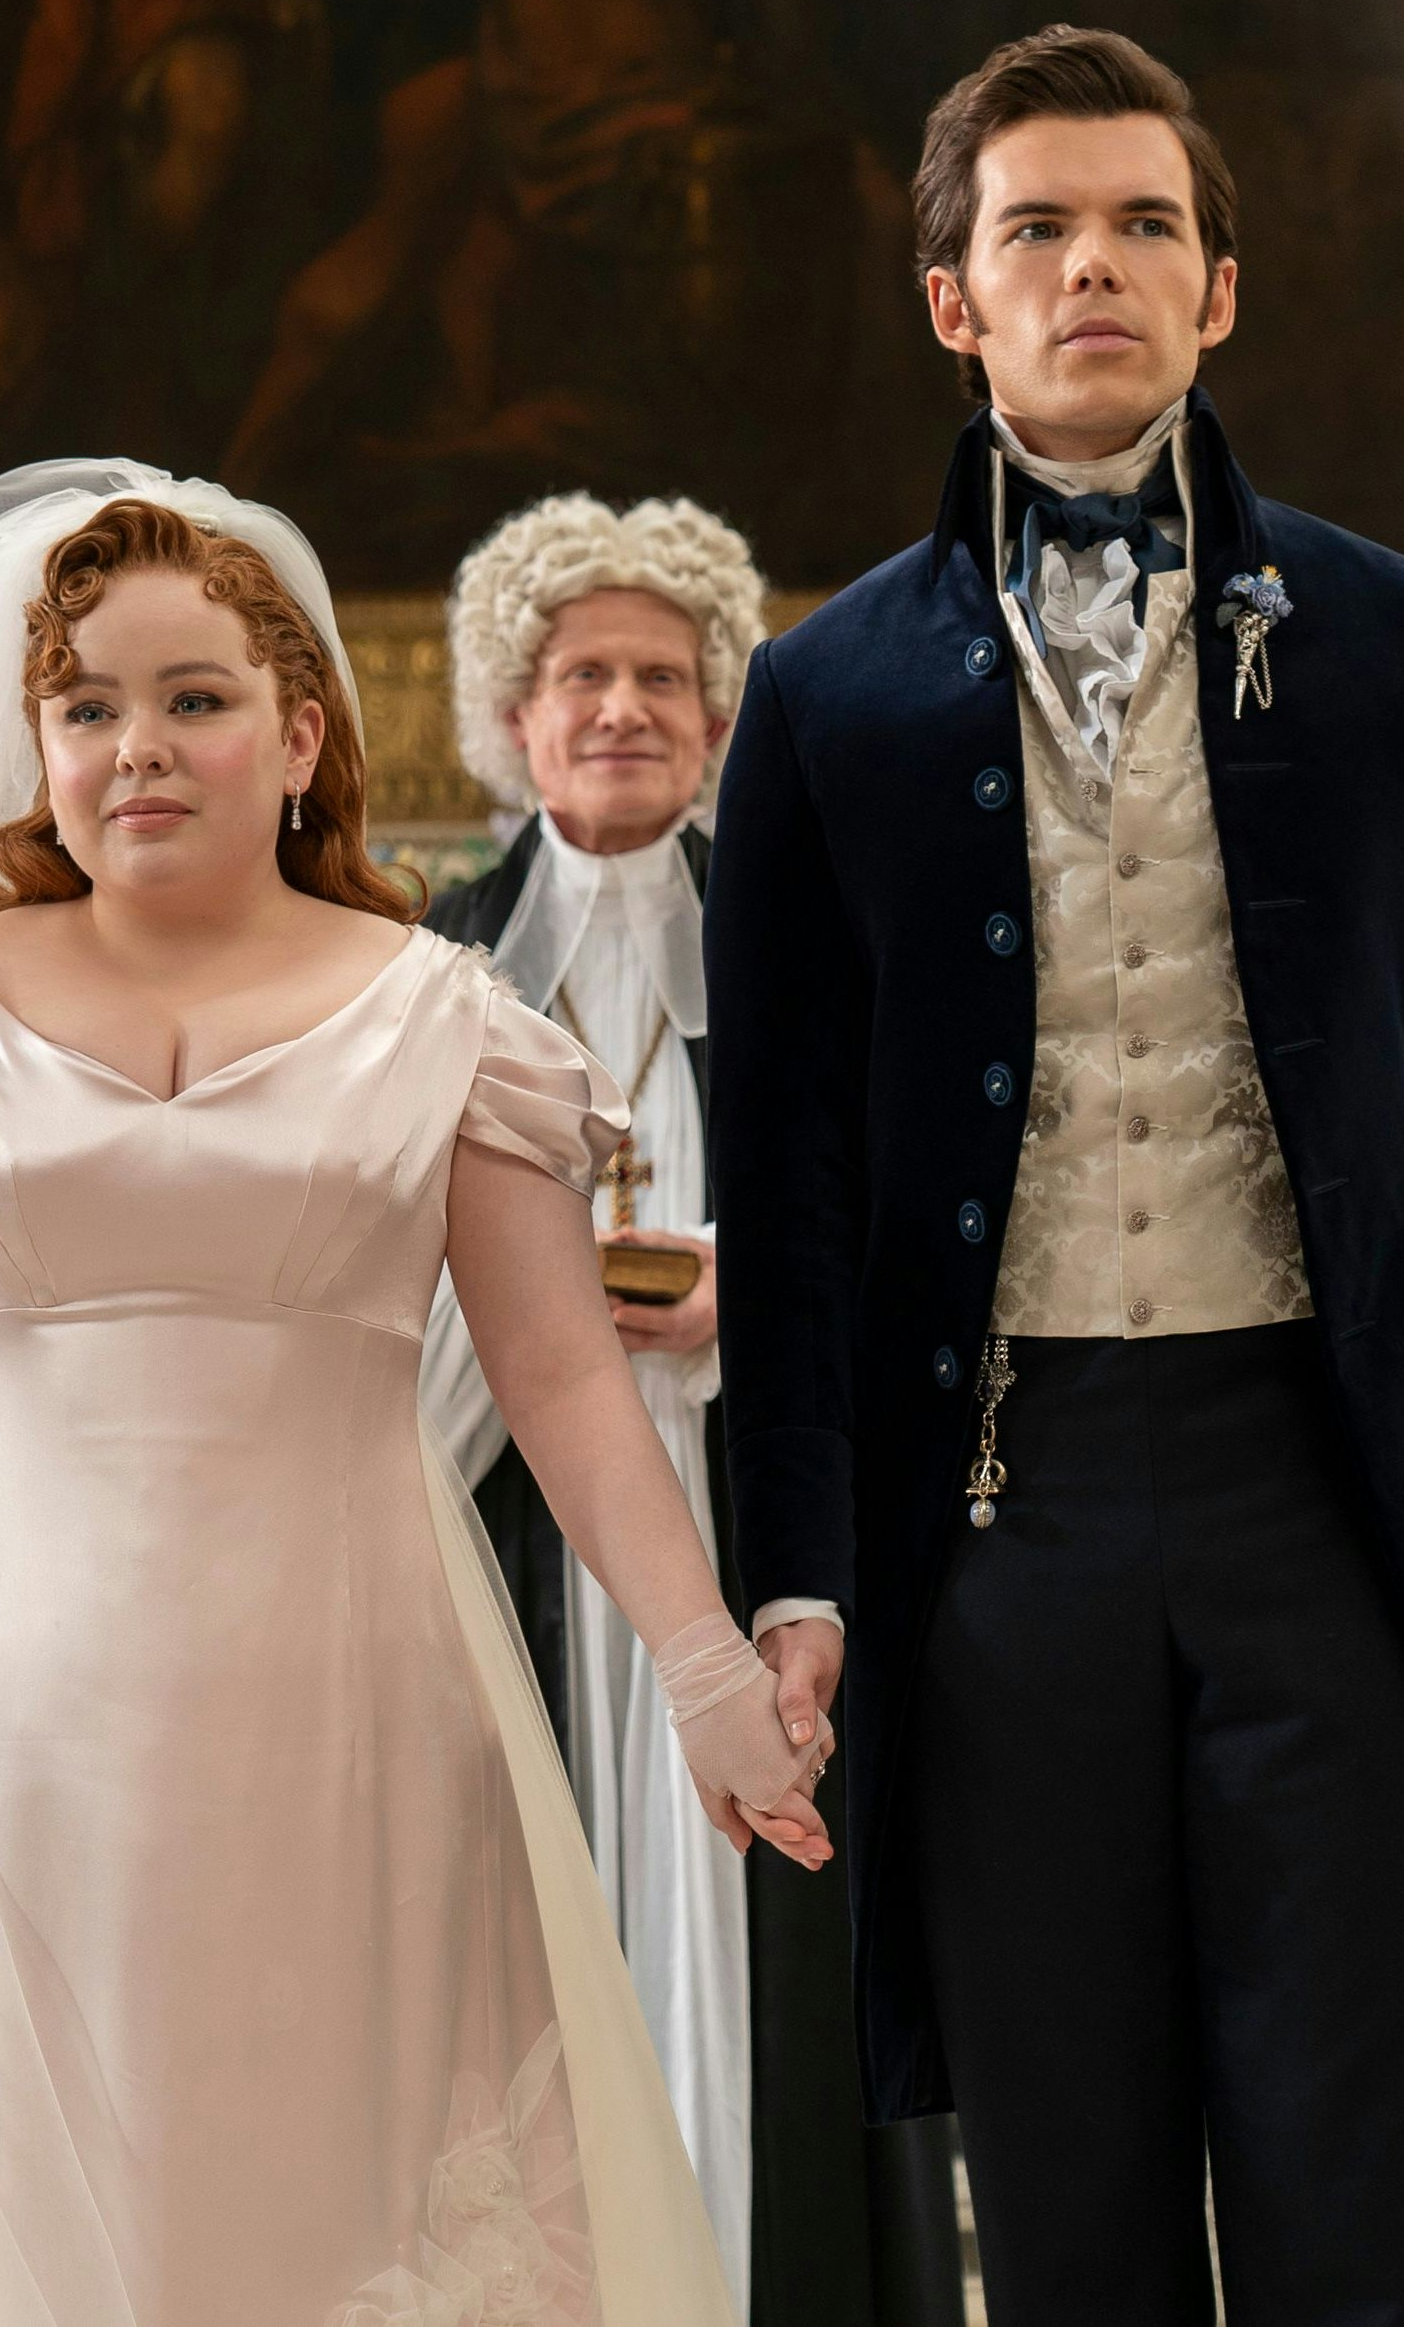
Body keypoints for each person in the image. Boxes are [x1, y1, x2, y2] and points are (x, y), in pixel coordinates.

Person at [0, 459, 833, 2326]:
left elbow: (564, 1384)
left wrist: (705, 1672)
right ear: (39, 748)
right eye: (86, 708)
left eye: (193, 699)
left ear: (298, 738)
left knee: (318, 2208)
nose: (137, 746)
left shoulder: (452, 1022)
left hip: (357, 1729)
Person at [704, 21, 1404, 2327]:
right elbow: (786, 1177)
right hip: (1005, 1512)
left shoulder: (1383, 635)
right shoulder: (820, 694)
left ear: (1220, 291)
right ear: (953, 298)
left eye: (1142, 225)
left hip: (1322, 1485)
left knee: (1355, 2164)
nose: (1091, 263)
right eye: (1036, 229)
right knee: (1066, 2180)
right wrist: (794, 1567)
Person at [422, 492, 966, 2327]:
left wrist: (768, 1296)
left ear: (724, 718)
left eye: (665, 677)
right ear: (513, 715)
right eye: (582, 676)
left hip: (766, 1516)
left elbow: (930, 1217)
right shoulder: (426, 962)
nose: (623, 709)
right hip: (519, 1525)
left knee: (782, 1945)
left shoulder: (813, 935)